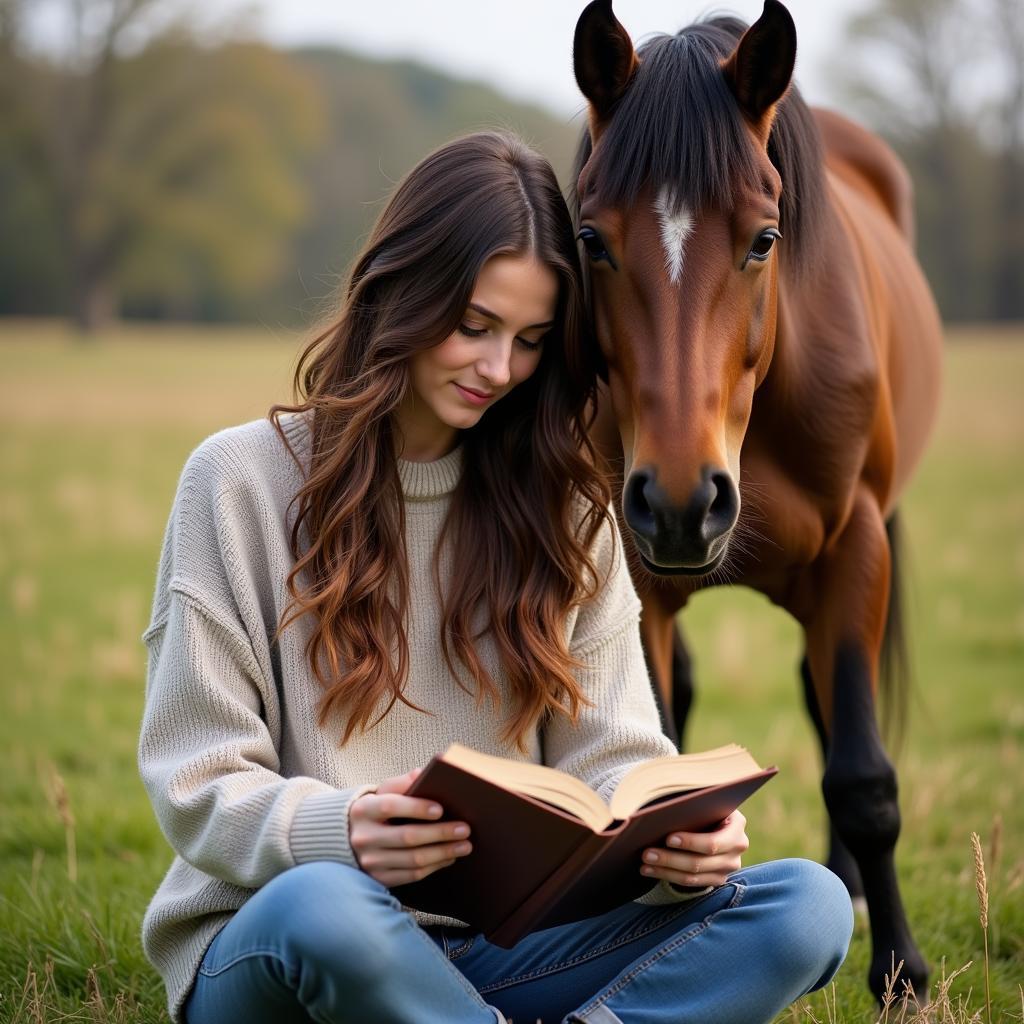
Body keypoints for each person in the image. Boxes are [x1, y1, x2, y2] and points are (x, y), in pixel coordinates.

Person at [138, 129, 853, 1024]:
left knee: (807, 906)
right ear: (401, 290)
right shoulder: (236, 482)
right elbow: (195, 780)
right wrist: (340, 833)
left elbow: (616, 758)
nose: (496, 369)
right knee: (326, 911)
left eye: (528, 341)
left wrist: (682, 846)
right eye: (474, 326)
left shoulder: (566, 510)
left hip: (506, 952)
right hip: (284, 939)